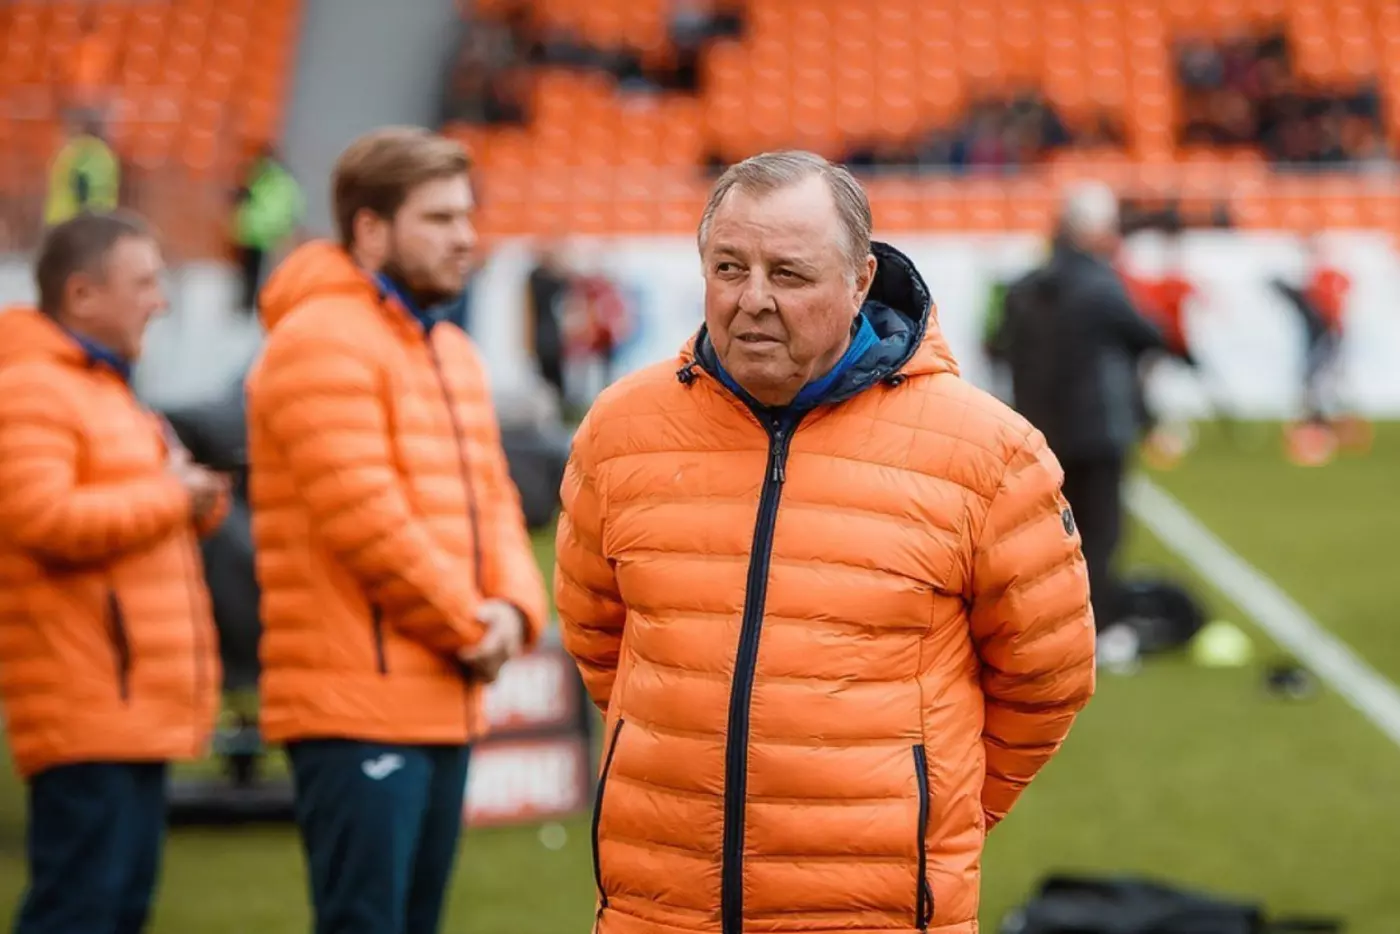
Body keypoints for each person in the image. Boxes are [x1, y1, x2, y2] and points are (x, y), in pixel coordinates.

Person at [556, 151, 1096, 934]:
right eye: (729, 268)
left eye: (789, 274)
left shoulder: (990, 453)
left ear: (859, 280)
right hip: (659, 905)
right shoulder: (620, 431)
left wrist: (926, 813)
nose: (753, 300)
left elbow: (1047, 676)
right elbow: (598, 635)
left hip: (873, 911)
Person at [245, 127, 547, 934]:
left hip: (442, 692)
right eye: (440, 218)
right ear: (371, 230)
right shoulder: (316, 339)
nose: (466, 237)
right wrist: (472, 627)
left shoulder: (451, 351)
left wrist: (517, 610)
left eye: (467, 216)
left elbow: (495, 499)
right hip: (355, 705)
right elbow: (366, 518)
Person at [0, 211, 226, 934]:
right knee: (80, 911)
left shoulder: (104, 387)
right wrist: (173, 496)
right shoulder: (34, 389)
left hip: (126, 706)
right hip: (88, 702)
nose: (160, 301)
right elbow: (43, 519)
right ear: (82, 295)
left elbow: (140, 505)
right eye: (145, 283)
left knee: (116, 908)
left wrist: (196, 499)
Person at [1000, 181, 1165, 629]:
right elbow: (1149, 334)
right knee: (1101, 533)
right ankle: (1094, 624)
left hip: (1040, 430)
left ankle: (1046, 624)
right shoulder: (1100, 284)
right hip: (1097, 428)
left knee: (1050, 535)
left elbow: (999, 346)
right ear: (1093, 231)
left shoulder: (1025, 287)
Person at [231, 145, 305, 313]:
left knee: (267, 275)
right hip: (256, 233)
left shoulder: (276, 181)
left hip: (269, 234)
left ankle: (262, 305)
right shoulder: (260, 178)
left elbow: (289, 207)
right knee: (250, 274)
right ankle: (250, 306)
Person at [44, 118, 121, 227]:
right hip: (85, 219)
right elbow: (84, 184)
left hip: (63, 217)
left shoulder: (71, 149)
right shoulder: (95, 151)